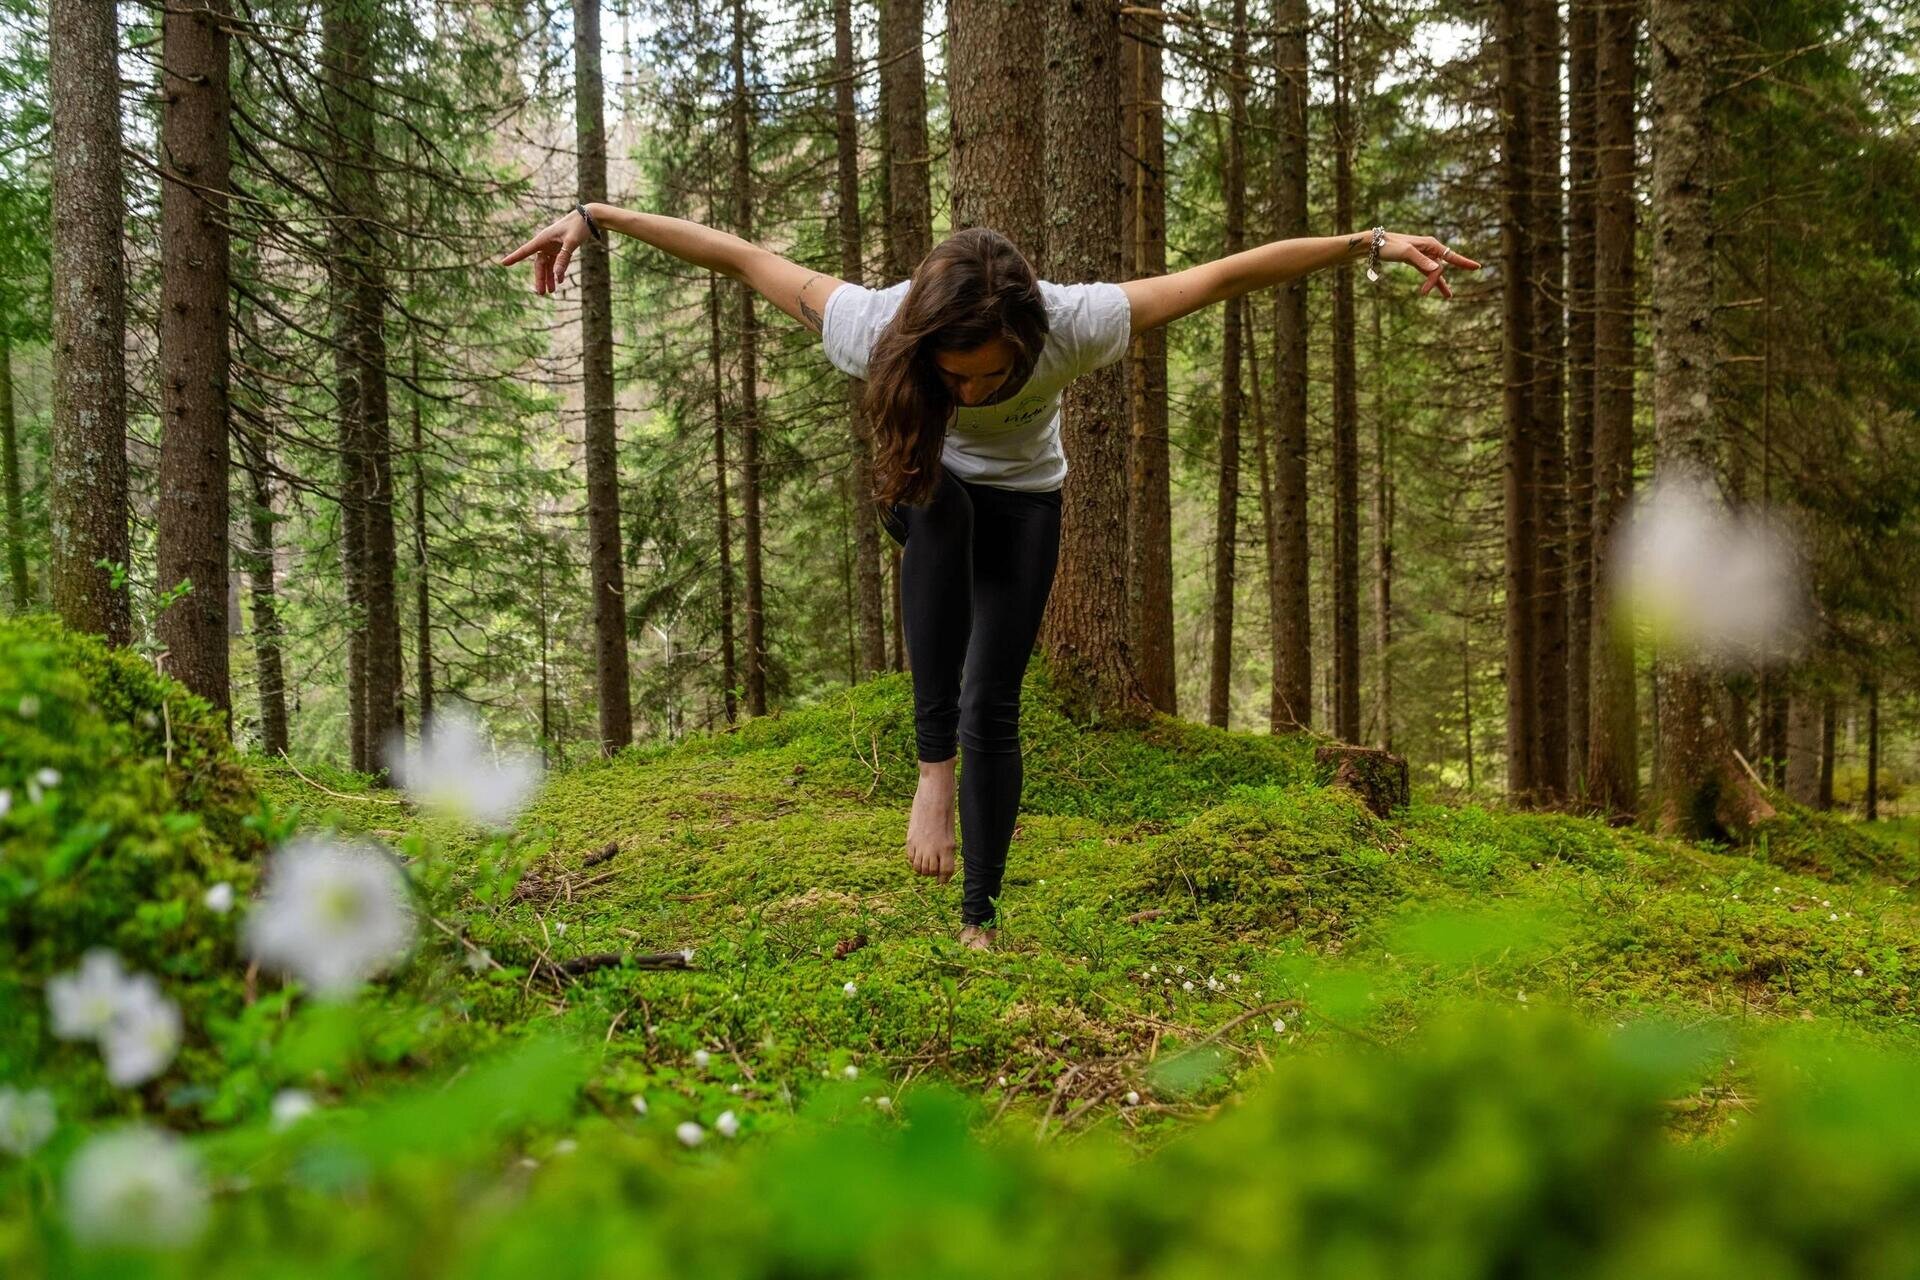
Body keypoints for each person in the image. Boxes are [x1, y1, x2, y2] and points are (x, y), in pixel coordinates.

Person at [502, 203, 1479, 951]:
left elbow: (1223, 275)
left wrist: (1370, 243)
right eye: (954, 376)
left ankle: (979, 917)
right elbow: (740, 257)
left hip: (1028, 503)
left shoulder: (1073, 322)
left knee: (995, 702)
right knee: (943, 504)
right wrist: (595, 217)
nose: (970, 392)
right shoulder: (877, 327)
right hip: (923, 491)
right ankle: (931, 774)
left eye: (989, 377)